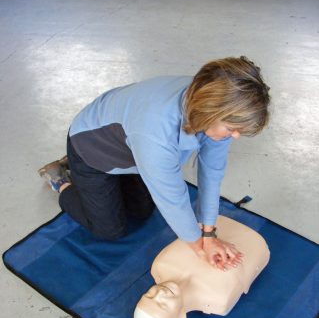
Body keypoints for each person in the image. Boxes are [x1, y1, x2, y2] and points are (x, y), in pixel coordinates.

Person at [38, 56, 270, 269]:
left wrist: (209, 232)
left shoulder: (215, 100)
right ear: (210, 113)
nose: (236, 135)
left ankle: (87, 173)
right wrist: (199, 246)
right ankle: (61, 179)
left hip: (129, 148)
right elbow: (172, 196)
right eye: (232, 129)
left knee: (142, 210)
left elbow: (212, 172)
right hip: (91, 148)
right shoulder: (155, 129)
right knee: (110, 229)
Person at [134, 215, 270, 318]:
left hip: (212, 220)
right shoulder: (219, 298)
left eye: (149, 295)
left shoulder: (159, 265)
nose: (160, 293)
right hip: (255, 240)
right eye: (163, 305)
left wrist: (207, 238)